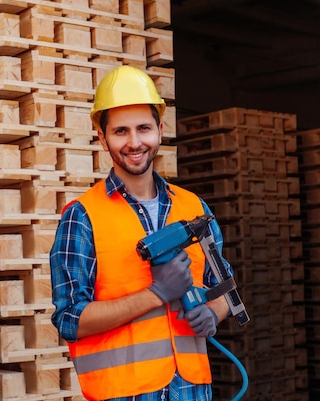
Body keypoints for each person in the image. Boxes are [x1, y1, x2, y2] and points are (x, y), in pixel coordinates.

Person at [50, 65, 234, 401]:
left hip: (191, 392)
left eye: (143, 128)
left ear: (160, 130)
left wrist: (213, 313)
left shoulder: (194, 208)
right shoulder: (83, 216)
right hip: (125, 395)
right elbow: (69, 319)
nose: (134, 142)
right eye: (121, 131)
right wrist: (157, 293)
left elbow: (223, 287)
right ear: (102, 137)